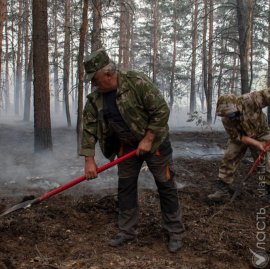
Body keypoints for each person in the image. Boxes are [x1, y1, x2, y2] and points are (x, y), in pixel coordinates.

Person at [79, 48, 185, 253]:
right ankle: (127, 232)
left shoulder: (136, 82)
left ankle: (175, 231)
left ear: (108, 74)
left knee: (166, 185)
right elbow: (89, 128)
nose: (92, 84)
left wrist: (148, 138)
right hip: (126, 145)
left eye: (94, 79)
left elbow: (161, 110)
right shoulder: (95, 99)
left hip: (155, 145)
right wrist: (89, 160)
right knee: (125, 187)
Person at [208, 90, 270, 201]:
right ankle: (222, 191)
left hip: (261, 133)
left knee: (266, 164)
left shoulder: (252, 99)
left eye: (231, 113)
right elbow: (238, 137)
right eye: (227, 114)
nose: (230, 116)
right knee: (229, 157)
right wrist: (257, 144)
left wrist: (261, 142)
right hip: (241, 137)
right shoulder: (226, 119)